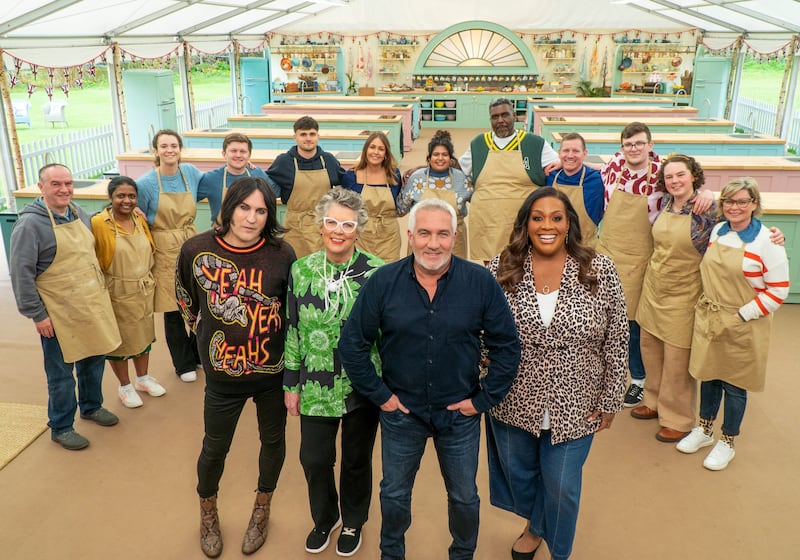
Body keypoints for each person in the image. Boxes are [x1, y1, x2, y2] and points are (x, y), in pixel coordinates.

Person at [339, 198, 521, 560]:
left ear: (455, 237)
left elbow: (508, 346)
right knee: (393, 494)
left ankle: (462, 555)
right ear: (410, 236)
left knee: (465, 497)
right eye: (424, 233)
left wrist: (482, 400)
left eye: (442, 234)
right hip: (401, 413)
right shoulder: (384, 282)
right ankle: (392, 554)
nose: (432, 243)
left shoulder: (480, 282)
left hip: (459, 416)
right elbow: (352, 344)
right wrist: (381, 396)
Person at [486, 188, 628, 560]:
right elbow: (480, 333)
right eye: (537, 217)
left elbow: (617, 337)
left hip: (577, 401)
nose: (547, 225)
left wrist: (612, 396)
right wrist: (481, 382)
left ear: (569, 224)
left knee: (562, 485)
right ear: (525, 224)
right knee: (519, 477)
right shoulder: (500, 267)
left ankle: (559, 552)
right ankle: (535, 524)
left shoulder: (600, 269)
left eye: (556, 217)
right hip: (513, 398)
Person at [176, 177, 296, 558]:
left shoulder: (282, 253)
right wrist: (203, 338)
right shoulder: (196, 250)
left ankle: (262, 507)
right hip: (223, 375)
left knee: (273, 442)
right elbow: (185, 299)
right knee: (214, 448)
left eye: (261, 210)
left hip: (271, 374)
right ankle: (207, 510)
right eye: (244, 208)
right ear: (229, 208)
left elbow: (291, 312)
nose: (251, 218)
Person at [284, 188, 384, 557]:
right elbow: (292, 329)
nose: (338, 231)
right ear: (321, 226)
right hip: (314, 383)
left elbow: (386, 334)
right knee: (314, 457)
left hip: (361, 385)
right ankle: (325, 518)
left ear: (359, 229)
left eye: (347, 224)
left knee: (357, 460)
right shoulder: (301, 269)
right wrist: (290, 383)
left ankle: (354, 519)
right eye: (332, 223)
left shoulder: (377, 272)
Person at [597, 122, 713, 408]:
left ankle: (638, 379)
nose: (633, 149)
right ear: (621, 147)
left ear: (650, 144)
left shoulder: (663, 171)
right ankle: (605, 374)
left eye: (639, 143)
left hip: (642, 256)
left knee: (635, 323)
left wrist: (708, 193)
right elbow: (584, 170)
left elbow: (687, 185)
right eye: (628, 144)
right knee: (605, 319)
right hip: (609, 252)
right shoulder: (612, 164)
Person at [678, 177, 790, 471]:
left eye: (743, 201)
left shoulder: (768, 241)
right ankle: (704, 430)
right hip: (712, 315)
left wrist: (742, 315)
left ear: (755, 204)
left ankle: (727, 442)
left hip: (745, 321)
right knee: (710, 374)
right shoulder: (718, 231)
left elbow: (778, 290)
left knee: (735, 384)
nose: (735, 207)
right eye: (729, 201)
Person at [10, 163, 121, 450]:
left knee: (93, 360)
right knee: (60, 373)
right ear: (41, 187)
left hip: (88, 304)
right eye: (56, 184)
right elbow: (21, 274)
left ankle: (91, 406)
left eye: (68, 183)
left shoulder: (78, 213)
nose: (64, 190)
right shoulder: (30, 224)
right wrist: (37, 315)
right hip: (57, 313)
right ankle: (61, 425)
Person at [630, 155, 718, 442]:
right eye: (669, 177)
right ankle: (653, 401)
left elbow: (741, 222)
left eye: (680, 175)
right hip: (654, 287)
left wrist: (774, 237)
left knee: (678, 358)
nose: (675, 181)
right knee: (650, 348)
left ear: (694, 176)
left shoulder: (707, 208)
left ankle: (678, 418)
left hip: (684, 292)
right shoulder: (665, 203)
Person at [137, 129, 204, 383]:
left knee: (199, 302)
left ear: (180, 149)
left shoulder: (191, 173)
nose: (169, 150)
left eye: (173, 145)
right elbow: (136, 213)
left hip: (190, 241)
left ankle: (197, 354)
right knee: (172, 307)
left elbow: (219, 183)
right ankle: (183, 363)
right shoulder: (146, 183)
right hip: (163, 244)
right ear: (156, 150)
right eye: (164, 146)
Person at [91, 176, 164, 409]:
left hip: (142, 288)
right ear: (110, 197)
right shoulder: (99, 223)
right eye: (120, 196)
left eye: (131, 196)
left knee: (143, 335)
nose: (127, 200)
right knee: (120, 342)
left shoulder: (139, 219)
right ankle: (125, 386)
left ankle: (143, 379)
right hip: (117, 291)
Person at [458, 97, 560, 263]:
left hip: (522, 219)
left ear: (514, 115)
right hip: (487, 219)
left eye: (505, 115)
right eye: (495, 117)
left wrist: (564, 161)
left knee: (523, 266)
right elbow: (458, 169)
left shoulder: (534, 143)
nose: (500, 121)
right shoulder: (479, 144)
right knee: (491, 267)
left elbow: (559, 164)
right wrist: (421, 169)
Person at [267, 116, 347, 258]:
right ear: (295, 137)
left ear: (318, 136)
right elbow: (265, 186)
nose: (308, 138)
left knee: (324, 266)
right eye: (303, 134)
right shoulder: (284, 162)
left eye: (312, 134)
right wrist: (252, 170)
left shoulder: (328, 160)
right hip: (295, 227)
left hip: (324, 225)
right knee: (295, 267)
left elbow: (347, 183)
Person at [397, 130, 473, 258]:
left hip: (455, 242)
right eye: (436, 154)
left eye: (445, 155)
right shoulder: (416, 179)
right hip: (422, 241)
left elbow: (478, 200)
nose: (440, 158)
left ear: (451, 158)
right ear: (429, 158)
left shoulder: (462, 179)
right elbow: (401, 209)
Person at [342, 131, 403, 262]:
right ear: (365, 150)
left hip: (389, 236)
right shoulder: (351, 176)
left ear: (386, 154)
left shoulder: (394, 175)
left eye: (381, 149)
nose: (376, 152)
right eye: (372, 147)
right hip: (361, 235)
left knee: (389, 274)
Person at [197, 132, 280, 225]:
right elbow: (191, 197)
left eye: (243, 151)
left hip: (252, 232)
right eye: (233, 151)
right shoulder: (210, 179)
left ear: (249, 155)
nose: (238, 155)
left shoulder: (257, 173)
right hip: (222, 234)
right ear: (224, 154)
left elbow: (275, 193)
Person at [545, 132, 604, 246]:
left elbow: (621, 168)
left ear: (584, 154)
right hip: (553, 247)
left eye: (576, 151)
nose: (570, 155)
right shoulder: (549, 176)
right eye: (566, 151)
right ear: (559, 153)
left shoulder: (598, 179)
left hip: (585, 249)